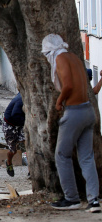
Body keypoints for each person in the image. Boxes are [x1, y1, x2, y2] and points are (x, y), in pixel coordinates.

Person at [42, 34, 100, 213]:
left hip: (74, 112)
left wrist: (59, 102)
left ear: (50, 50)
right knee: (87, 157)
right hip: (88, 111)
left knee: (61, 155)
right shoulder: (74, 57)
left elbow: (67, 86)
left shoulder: (60, 58)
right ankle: (94, 201)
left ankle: (72, 198)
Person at [2, 93, 25, 177]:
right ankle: (9, 163)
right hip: (10, 124)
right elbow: (15, 115)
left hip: (21, 124)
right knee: (13, 150)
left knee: (28, 145)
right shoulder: (20, 100)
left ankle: (31, 172)